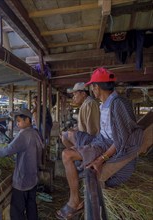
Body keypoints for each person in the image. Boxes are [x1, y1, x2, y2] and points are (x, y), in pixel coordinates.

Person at [56, 67, 143, 219]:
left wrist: (101, 159)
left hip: (106, 146)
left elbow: (122, 139)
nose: (92, 89)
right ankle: (81, 162)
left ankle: (74, 201)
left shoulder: (118, 104)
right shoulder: (105, 103)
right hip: (99, 140)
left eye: (92, 86)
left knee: (66, 155)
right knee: (68, 135)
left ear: (97, 87)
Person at [0, 108, 44, 220]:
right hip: (33, 177)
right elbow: (40, 151)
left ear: (27, 120)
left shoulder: (23, 135)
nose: (17, 123)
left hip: (22, 179)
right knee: (31, 205)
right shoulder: (35, 133)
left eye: (19, 120)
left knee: (17, 210)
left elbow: (8, 150)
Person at [61, 82, 100, 148]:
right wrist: (74, 129)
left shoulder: (90, 104)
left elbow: (92, 130)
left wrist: (87, 146)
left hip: (91, 140)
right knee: (65, 135)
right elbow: (83, 125)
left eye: (75, 94)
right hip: (85, 137)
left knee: (67, 136)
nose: (74, 97)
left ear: (83, 94)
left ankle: (81, 155)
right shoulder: (85, 104)